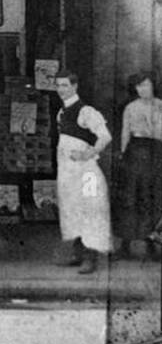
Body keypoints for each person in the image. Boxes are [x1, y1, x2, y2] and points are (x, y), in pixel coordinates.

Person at [54, 73, 113, 275]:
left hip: (87, 172)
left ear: (75, 86)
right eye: (58, 85)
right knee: (73, 209)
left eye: (65, 85)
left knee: (90, 209)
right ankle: (78, 254)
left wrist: (89, 153)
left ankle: (90, 258)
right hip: (68, 171)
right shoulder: (61, 112)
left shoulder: (86, 111)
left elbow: (105, 137)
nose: (61, 89)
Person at [116, 74, 162, 258]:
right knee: (131, 196)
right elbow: (125, 132)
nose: (142, 89)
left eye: (145, 85)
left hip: (157, 152)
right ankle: (125, 244)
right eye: (138, 86)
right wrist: (123, 154)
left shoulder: (160, 105)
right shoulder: (131, 108)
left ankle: (150, 242)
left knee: (151, 196)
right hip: (135, 152)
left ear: (153, 86)